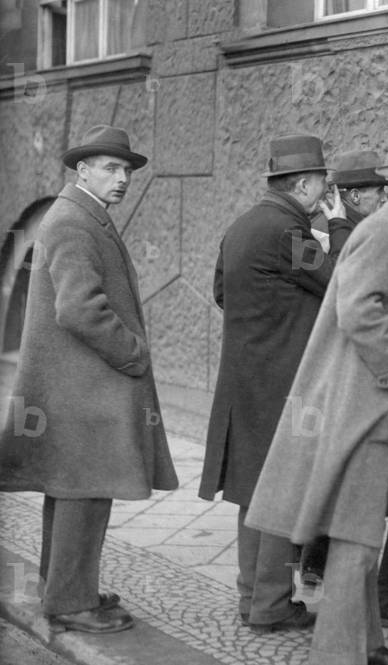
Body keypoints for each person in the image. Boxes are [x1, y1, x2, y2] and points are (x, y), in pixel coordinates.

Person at [244, 134, 388, 665]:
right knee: (355, 544)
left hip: (379, 412)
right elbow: (358, 308)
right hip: (370, 415)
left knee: (360, 540)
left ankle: (365, 645)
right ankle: (340, 655)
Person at [0, 124, 178, 633]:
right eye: (111, 168)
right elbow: (79, 309)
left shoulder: (79, 214)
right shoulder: (74, 220)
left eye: (126, 170)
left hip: (77, 387)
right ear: (82, 170)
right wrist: (134, 353)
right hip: (83, 389)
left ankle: (66, 593)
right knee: (83, 491)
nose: (123, 178)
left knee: (75, 491)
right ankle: (72, 605)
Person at [199, 134, 349, 634]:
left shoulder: (242, 225)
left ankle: (251, 598)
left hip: (246, 378)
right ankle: (270, 606)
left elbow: (223, 292)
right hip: (283, 383)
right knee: (279, 492)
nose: (324, 194)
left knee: (251, 492)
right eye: (323, 185)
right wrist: (338, 222)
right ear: (305, 184)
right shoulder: (289, 230)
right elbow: (335, 282)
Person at [301, 148, 388, 586]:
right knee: (332, 469)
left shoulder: (364, 228)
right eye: (377, 191)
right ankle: (316, 560)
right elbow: (336, 286)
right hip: (335, 369)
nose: (384, 199)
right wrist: (337, 226)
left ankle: (320, 558)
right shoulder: (327, 230)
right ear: (353, 194)